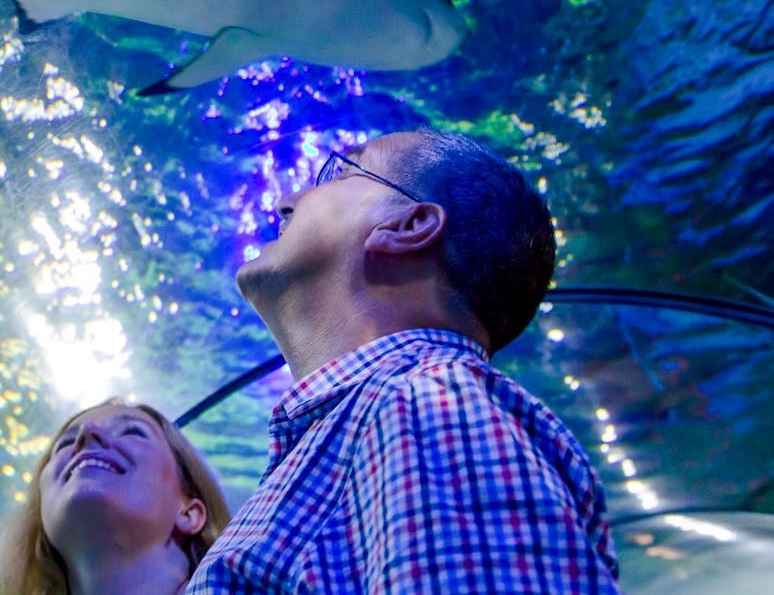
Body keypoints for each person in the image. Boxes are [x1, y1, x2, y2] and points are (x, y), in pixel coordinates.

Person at [187, 128, 621, 593]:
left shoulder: (429, 405)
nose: (287, 201)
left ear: (407, 226)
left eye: (338, 170)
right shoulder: (369, 426)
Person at [0, 399, 231, 595]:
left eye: (132, 431)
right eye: (66, 443)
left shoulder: (250, 576)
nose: (87, 433)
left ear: (190, 512)